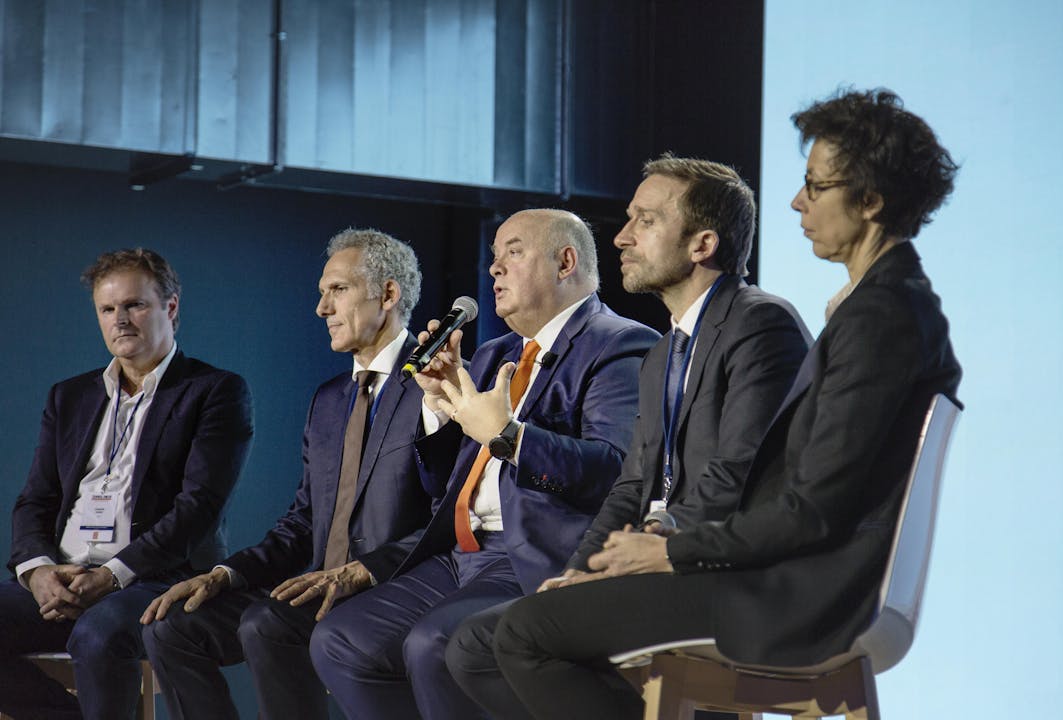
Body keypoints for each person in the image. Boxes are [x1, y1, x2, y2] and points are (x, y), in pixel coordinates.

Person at [488, 88, 963, 719]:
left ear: (870, 201)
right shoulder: (881, 306)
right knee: (518, 627)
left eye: (816, 187)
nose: (797, 200)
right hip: (791, 575)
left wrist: (667, 551)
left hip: (808, 592)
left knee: (524, 634)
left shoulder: (882, 317)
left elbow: (811, 508)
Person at [445, 156, 812, 717]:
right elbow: (633, 483)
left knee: (520, 634)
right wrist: (579, 571)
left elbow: (736, 475)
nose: (621, 237)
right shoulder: (667, 350)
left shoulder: (761, 324)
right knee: (474, 645)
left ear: (701, 244)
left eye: (645, 221)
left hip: (732, 577)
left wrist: (654, 545)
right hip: (669, 568)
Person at [309, 208, 660, 720]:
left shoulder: (620, 343)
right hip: (459, 555)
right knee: (340, 639)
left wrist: (508, 436)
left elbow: (611, 469)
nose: (494, 269)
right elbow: (442, 485)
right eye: (493, 258)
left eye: (512, 253)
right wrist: (437, 406)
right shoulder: (496, 353)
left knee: (432, 644)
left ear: (565, 262)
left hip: (531, 556)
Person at [139, 229, 432, 720]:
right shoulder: (329, 399)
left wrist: (365, 570)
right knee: (171, 625)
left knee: (265, 623)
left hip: (390, 591)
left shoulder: (439, 383)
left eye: (337, 290)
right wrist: (224, 574)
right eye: (322, 293)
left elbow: (450, 520)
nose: (322, 309)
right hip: (316, 591)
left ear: (387, 294)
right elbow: (300, 524)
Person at [0, 248, 253, 720]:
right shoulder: (70, 395)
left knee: (98, 634)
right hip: (66, 576)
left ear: (170, 308)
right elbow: (36, 499)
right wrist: (38, 574)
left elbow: (198, 509)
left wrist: (110, 576)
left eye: (135, 305)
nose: (121, 320)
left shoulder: (214, 391)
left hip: (155, 579)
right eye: (108, 309)